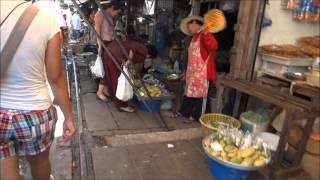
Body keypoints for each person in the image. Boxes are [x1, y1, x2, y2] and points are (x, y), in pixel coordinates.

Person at [0, 1, 76, 180]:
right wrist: (69, 117)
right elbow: (55, 77)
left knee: (4, 168)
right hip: (35, 113)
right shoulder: (47, 20)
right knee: (40, 163)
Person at [172, 15, 218, 123]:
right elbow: (192, 58)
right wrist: (186, 72)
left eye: (189, 26)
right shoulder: (194, 38)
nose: (188, 29)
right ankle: (184, 112)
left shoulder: (205, 35)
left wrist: (206, 32)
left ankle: (196, 116)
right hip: (192, 74)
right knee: (189, 94)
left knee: (200, 97)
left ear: (195, 23)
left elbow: (213, 46)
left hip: (203, 75)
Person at [103, 39, 149, 112]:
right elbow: (132, 49)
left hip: (109, 50)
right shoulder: (144, 49)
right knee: (118, 80)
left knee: (111, 77)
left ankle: (114, 97)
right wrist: (129, 60)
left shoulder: (134, 43)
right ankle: (121, 105)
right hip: (115, 54)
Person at [94, 0, 123, 101]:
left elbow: (110, 31)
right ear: (112, 7)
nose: (116, 14)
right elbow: (97, 31)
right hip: (103, 44)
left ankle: (105, 89)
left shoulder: (109, 16)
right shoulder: (100, 14)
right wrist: (100, 46)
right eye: (117, 12)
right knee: (105, 69)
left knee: (109, 67)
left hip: (110, 43)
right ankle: (100, 91)